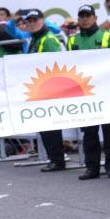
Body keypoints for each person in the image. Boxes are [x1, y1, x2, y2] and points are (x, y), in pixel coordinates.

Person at [67, 5, 110, 179]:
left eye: (88, 16)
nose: (84, 19)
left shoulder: (107, 36)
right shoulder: (72, 41)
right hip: (84, 93)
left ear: (95, 18)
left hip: (106, 91)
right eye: (81, 16)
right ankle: (92, 167)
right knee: (89, 132)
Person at [23, 9, 67, 172]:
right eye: (30, 21)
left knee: (51, 127)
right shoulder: (35, 39)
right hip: (40, 89)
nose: (32, 23)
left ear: (42, 21)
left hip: (49, 89)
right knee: (45, 126)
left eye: (35, 20)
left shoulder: (47, 39)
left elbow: (55, 65)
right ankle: (54, 159)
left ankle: (57, 160)